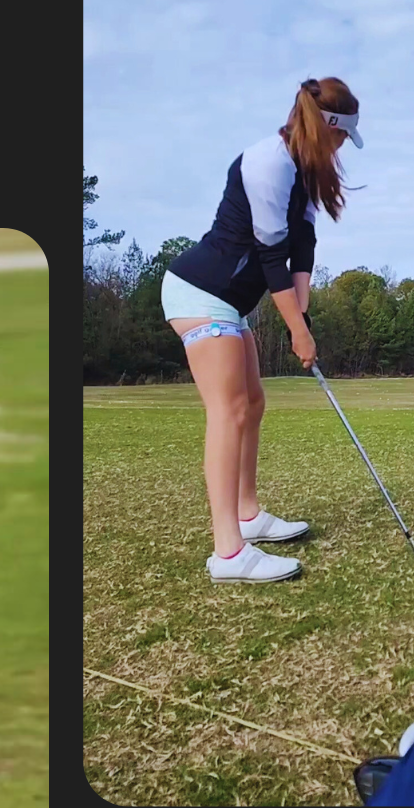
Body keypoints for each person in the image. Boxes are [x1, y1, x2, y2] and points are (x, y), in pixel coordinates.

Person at [161, 76, 361, 583]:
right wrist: (297, 331)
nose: (341, 149)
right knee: (228, 411)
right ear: (328, 128)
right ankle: (228, 553)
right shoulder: (268, 162)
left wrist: (304, 311)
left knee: (252, 404)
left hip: (230, 304)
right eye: (341, 138)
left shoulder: (305, 173)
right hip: (200, 293)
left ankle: (248, 517)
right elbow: (272, 256)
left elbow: (303, 247)